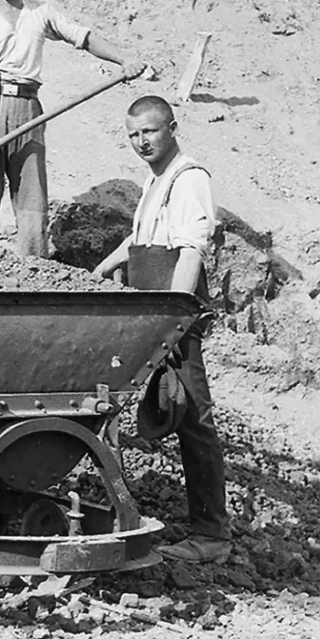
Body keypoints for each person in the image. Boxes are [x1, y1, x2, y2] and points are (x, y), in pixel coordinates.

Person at [93, 95, 231, 563]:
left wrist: (174, 317)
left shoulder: (189, 179)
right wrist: (101, 269)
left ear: (172, 128)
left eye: (149, 131)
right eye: (133, 134)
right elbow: (142, 239)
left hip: (173, 317)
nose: (141, 142)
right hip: (151, 315)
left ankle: (211, 536)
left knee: (194, 419)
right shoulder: (156, 181)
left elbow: (191, 250)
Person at [0, 0, 146, 257]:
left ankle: (33, 272)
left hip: (28, 109)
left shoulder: (41, 12)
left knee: (32, 202)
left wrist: (124, 59)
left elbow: (82, 37)